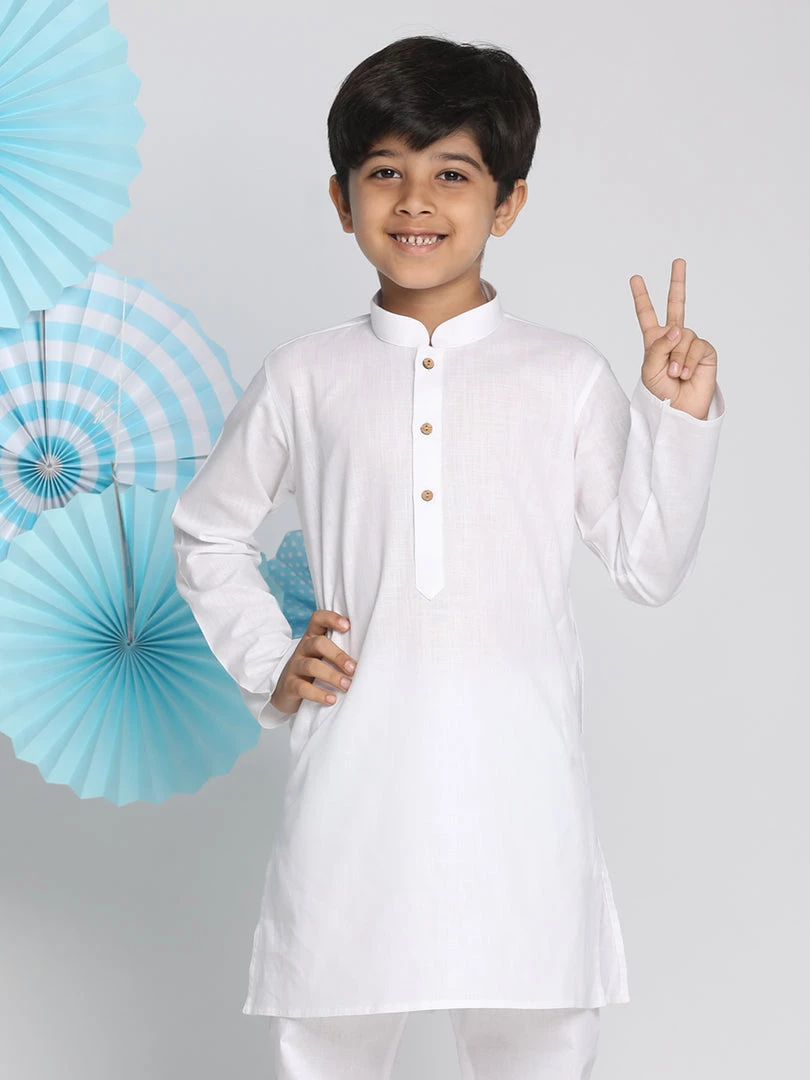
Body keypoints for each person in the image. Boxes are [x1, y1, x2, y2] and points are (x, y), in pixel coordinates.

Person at [171, 34, 726, 1080]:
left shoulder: (564, 375)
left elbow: (646, 565)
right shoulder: (305, 376)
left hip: (524, 796)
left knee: (538, 1044)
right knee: (328, 1040)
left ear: (507, 204)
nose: (416, 201)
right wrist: (269, 662)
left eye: (453, 174)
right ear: (342, 200)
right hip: (354, 789)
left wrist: (678, 415)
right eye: (385, 171)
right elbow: (208, 530)